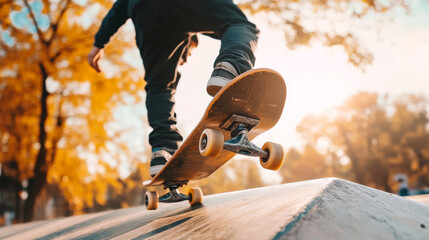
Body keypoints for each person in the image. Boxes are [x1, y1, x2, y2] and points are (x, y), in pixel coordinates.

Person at [87, 0, 259, 177]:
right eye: (187, 55)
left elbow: (118, 9)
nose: (182, 61)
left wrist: (98, 44)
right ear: (189, 39)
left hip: (142, 13)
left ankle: (162, 150)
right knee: (239, 24)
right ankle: (231, 65)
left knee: (159, 84)